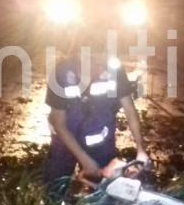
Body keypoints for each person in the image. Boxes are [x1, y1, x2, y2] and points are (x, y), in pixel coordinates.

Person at [43, 49, 150, 193]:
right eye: (94, 62)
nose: (100, 68)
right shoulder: (61, 73)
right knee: (55, 188)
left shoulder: (114, 69)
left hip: (100, 145)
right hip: (65, 145)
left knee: (105, 192)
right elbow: (59, 123)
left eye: (102, 62)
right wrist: (85, 161)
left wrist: (141, 149)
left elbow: (130, 109)